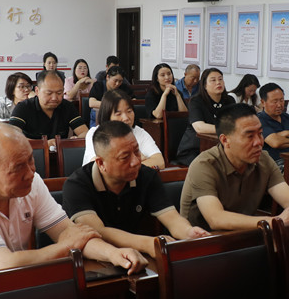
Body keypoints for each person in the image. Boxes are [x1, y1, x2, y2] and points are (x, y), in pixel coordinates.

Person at [0, 122, 148, 276]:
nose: (31, 172)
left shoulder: (31, 183)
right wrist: (65, 247)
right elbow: (2, 265)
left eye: (31, 160)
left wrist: (113, 254)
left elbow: (69, 232)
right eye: (18, 167)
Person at [63, 121, 209, 258]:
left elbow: (172, 218)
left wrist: (189, 232)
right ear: (101, 163)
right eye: (125, 157)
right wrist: (148, 244)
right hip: (97, 259)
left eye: (137, 151)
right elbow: (98, 232)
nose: (136, 161)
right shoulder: (77, 185)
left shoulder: (146, 176)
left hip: (138, 257)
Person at [181, 103, 289, 231]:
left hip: (244, 235)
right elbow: (216, 219)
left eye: (260, 133)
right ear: (225, 140)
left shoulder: (263, 159)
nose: (259, 142)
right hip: (202, 240)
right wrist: (276, 221)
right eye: (249, 136)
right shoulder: (204, 165)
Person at [83, 89, 164, 169]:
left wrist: (125, 165)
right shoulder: (96, 134)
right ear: (107, 116)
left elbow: (159, 162)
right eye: (118, 114)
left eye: (129, 111)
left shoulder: (139, 132)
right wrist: (138, 161)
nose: (126, 118)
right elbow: (99, 167)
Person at [9, 70, 88, 148]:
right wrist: (44, 144)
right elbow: (12, 137)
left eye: (59, 93)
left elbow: (85, 132)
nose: (54, 98)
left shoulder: (67, 106)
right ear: (37, 91)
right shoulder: (23, 107)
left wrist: (75, 140)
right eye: (49, 93)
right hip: (31, 154)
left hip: (61, 155)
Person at [174, 68, 234, 166]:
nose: (218, 82)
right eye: (213, 80)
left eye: (220, 79)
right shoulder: (196, 101)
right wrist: (226, 129)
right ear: (205, 85)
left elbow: (235, 123)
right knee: (215, 166)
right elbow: (199, 127)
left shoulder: (229, 100)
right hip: (194, 150)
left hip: (220, 148)